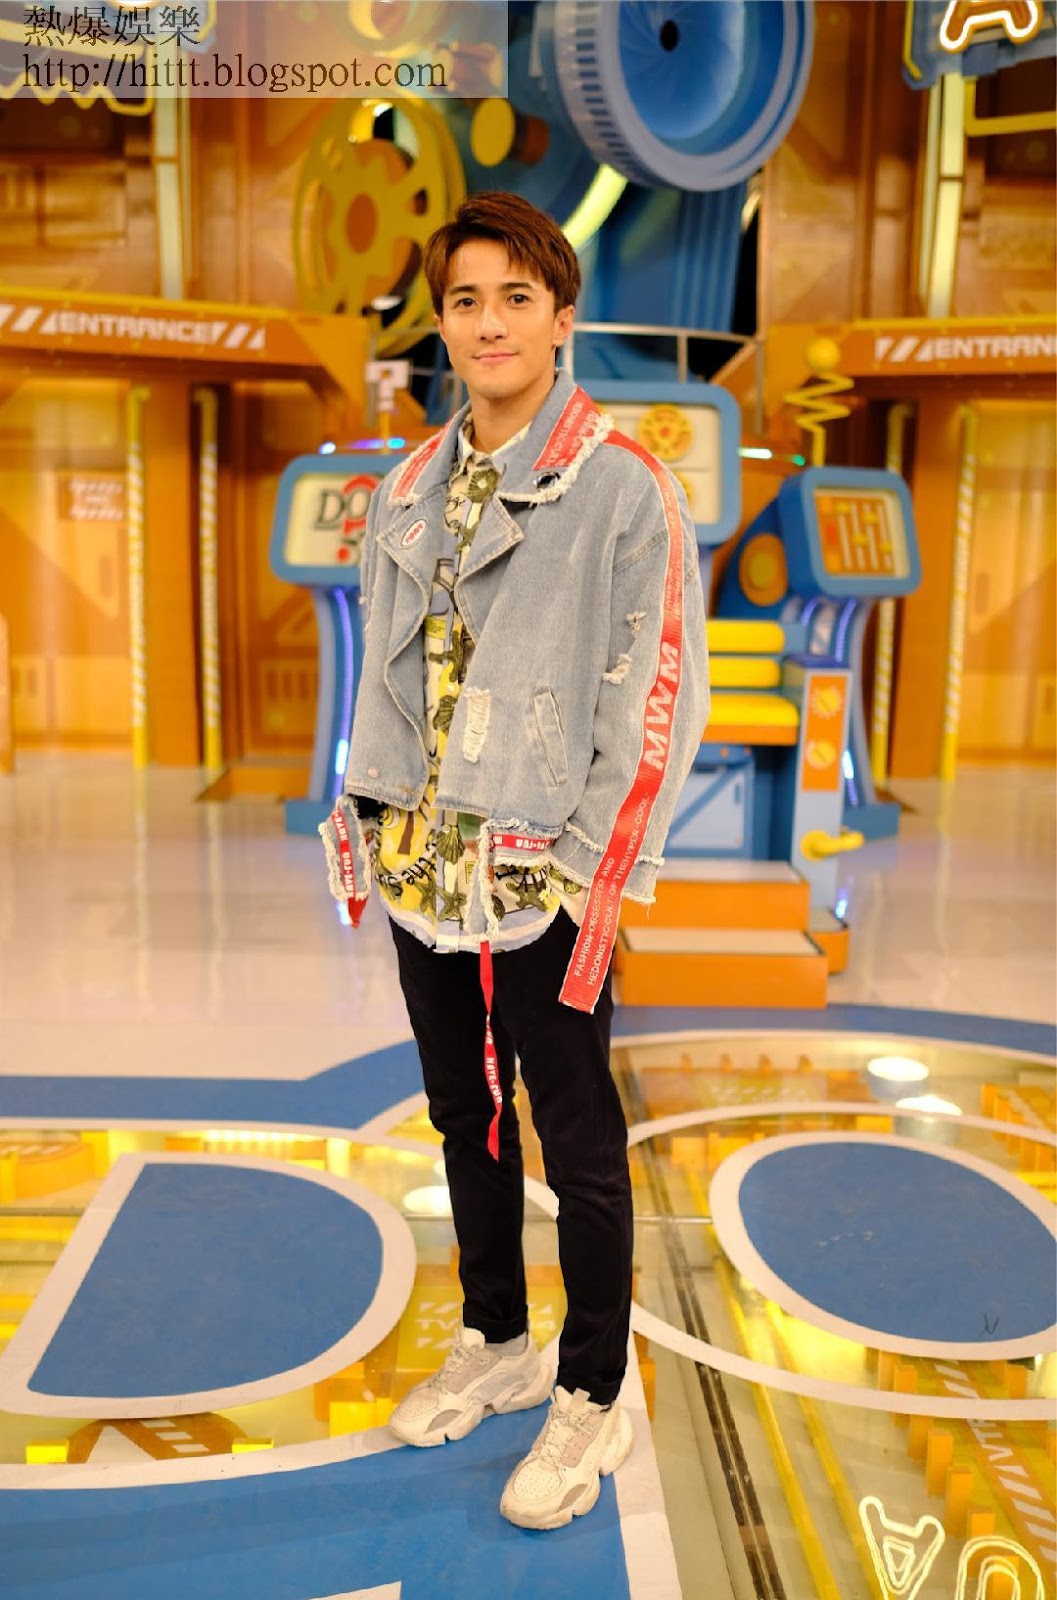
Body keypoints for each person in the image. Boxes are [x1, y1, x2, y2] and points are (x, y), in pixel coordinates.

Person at [320, 190, 710, 1531]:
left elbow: (652, 695)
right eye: (465, 301)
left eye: (515, 298)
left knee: (578, 1137)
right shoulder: (407, 488)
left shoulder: (622, 485)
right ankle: (496, 1337)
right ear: (441, 323)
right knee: (462, 1114)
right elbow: (384, 674)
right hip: (424, 861)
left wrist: (591, 871)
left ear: (560, 316)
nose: (489, 323)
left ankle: (592, 1389)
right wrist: (362, 815)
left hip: (548, 872)